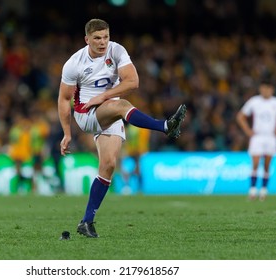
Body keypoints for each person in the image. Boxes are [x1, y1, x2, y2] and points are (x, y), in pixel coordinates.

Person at [58, 19, 186, 238]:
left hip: (109, 111)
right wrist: (67, 133)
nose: (102, 42)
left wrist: (105, 95)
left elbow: (133, 82)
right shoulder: (74, 63)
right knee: (122, 105)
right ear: (86, 39)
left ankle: (86, 222)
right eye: (97, 38)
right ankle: (165, 126)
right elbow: (63, 99)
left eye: (105, 37)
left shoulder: (117, 51)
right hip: (86, 114)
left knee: (108, 165)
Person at [236, 76, 276, 201]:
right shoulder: (254, 101)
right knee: (255, 163)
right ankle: (252, 190)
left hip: (271, 137)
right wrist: (247, 130)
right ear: (260, 89)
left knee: (267, 165)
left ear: (272, 89)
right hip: (258, 136)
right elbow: (241, 116)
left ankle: (263, 190)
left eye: (268, 88)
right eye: (263, 88)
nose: (265, 91)